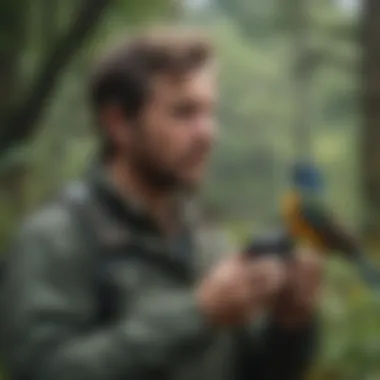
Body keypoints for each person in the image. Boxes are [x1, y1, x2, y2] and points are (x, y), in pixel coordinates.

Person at [1, 27, 323, 380]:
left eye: (209, 113)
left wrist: (291, 326)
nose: (207, 133)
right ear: (118, 123)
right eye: (183, 113)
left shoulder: (206, 238)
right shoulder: (55, 239)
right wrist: (198, 313)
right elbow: (44, 371)